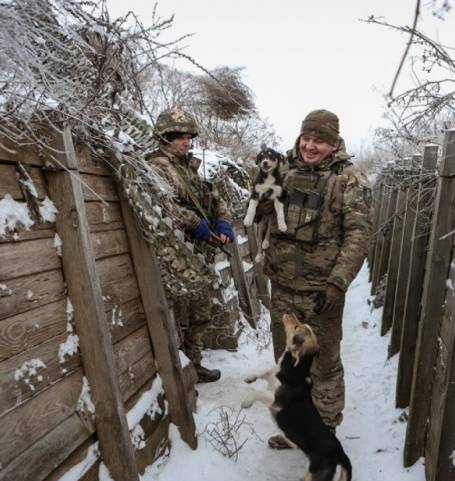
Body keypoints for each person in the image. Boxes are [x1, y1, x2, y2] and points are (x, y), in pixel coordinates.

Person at [259, 109, 371, 448]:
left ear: (333, 142)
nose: (310, 145)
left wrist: (337, 283)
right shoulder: (283, 169)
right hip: (282, 288)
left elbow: (359, 234)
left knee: (322, 365)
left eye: (319, 140)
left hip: (321, 292)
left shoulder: (349, 179)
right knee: (288, 363)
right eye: (306, 138)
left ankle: (323, 436)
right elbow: (257, 214)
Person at [148, 108, 235, 383]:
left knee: (200, 310)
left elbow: (215, 197)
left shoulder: (189, 168)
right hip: (178, 252)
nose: (185, 142)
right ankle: (181, 373)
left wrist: (223, 223)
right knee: (181, 313)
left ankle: (194, 366)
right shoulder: (156, 167)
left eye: (188, 136)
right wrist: (193, 223)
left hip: (200, 251)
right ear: (163, 137)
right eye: (177, 136)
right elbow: (163, 205)